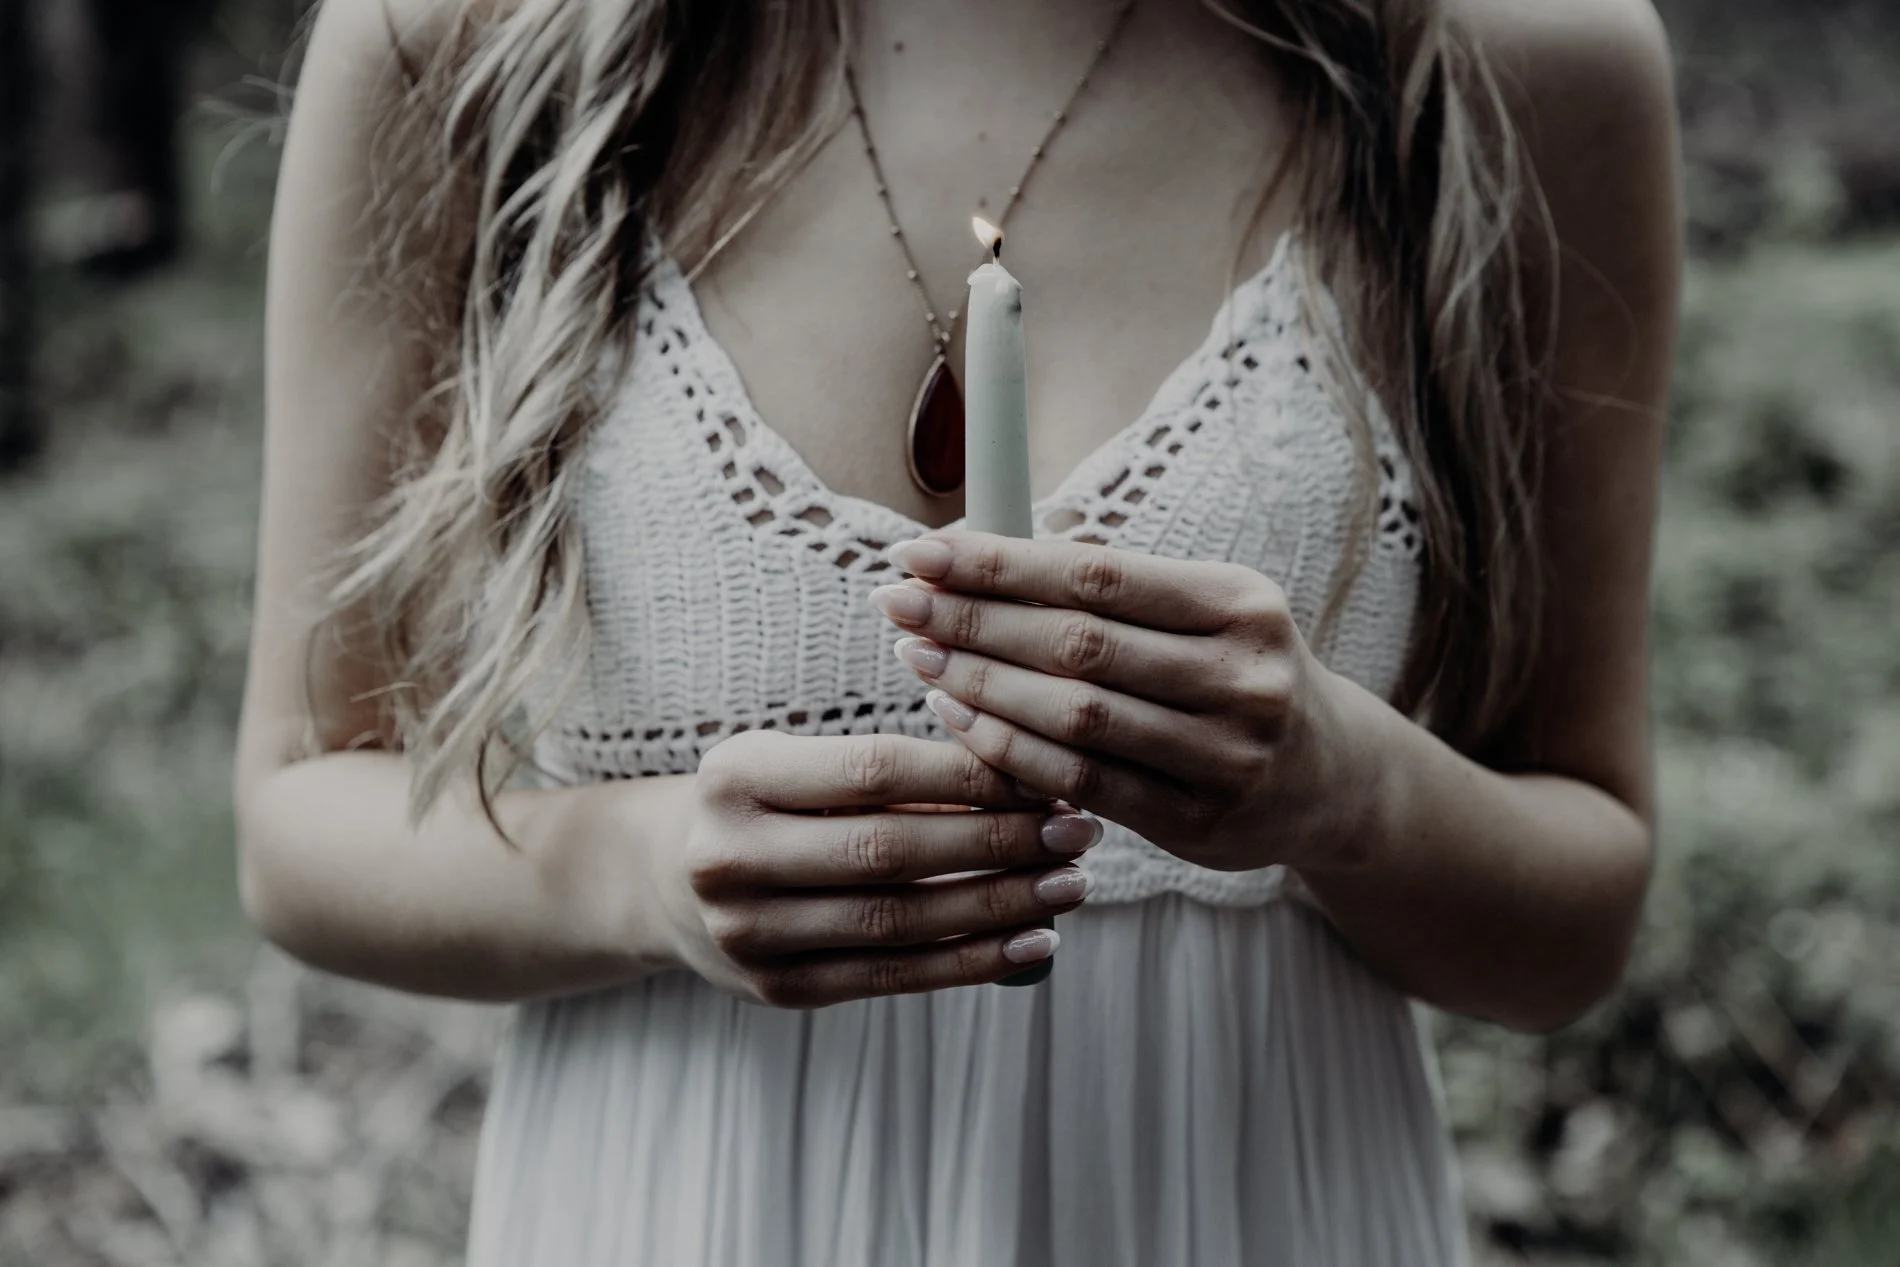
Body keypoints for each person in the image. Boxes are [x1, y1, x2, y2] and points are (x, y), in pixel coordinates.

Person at [234, 0, 1681, 1262]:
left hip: (1237, 1197)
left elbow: (1575, 921)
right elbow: (299, 815)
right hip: (699, 1201)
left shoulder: (1516, 59)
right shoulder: (470, 44)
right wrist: (638, 869)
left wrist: (1349, 788)